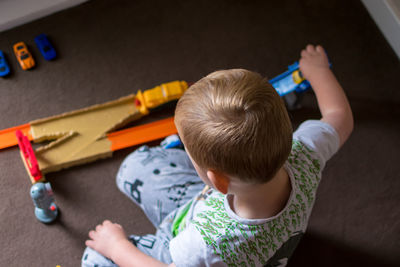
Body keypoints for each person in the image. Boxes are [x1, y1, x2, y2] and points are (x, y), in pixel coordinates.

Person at [81, 44, 353, 267]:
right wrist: (318, 71)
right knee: (133, 168)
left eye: (190, 153)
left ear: (218, 181)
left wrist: (117, 247)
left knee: (95, 258)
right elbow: (339, 117)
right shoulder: (305, 150)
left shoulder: (207, 242)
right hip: (214, 209)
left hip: (181, 246)